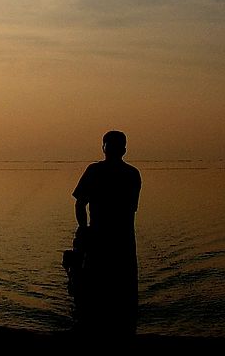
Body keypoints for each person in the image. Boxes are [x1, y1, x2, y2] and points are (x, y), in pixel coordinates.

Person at [71, 130, 141, 335]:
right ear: (124, 150)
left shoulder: (94, 171)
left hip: (102, 238)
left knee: (97, 285)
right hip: (123, 240)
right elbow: (130, 208)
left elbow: (80, 204)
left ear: (104, 148)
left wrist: (84, 229)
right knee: (123, 288)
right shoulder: (132, 174)